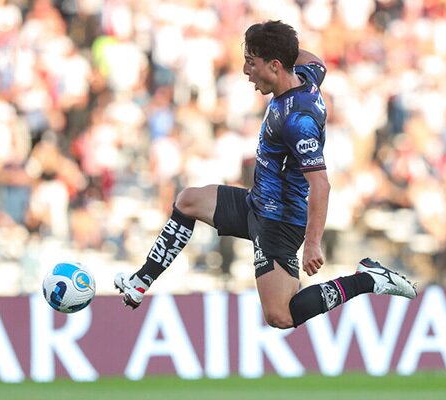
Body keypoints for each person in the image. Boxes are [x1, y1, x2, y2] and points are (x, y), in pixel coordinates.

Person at [115, 20, 416, 330]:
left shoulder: (299, 121)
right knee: (188, 201)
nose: (246, 71)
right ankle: (141, 281)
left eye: (251, 62)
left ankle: (366, 279)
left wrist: (312, 243)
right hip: (256, 203)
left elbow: (321, 184)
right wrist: (278, 45)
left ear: (274, 66)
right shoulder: (308, 74)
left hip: (280, 222)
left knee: (281, 316)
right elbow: (316, 61)